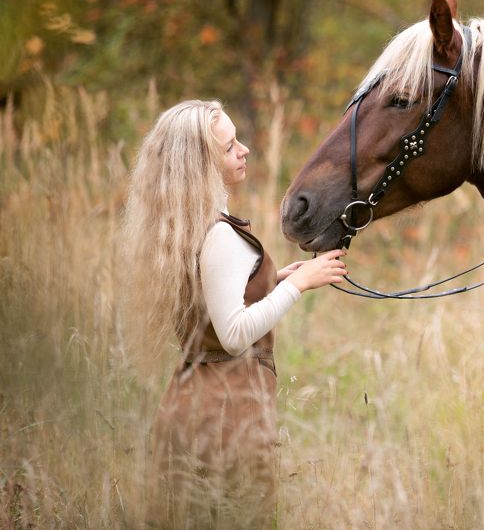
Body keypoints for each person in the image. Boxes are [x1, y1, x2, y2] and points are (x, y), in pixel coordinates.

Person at [123, 100, 346, 528]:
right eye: (228, 148)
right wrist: (299, 285)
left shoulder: (191, 227)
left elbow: (215, 306)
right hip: (228, 415)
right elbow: (232, 334)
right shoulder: (220, 236)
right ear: (202, 166)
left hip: (193, 403)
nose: (244, 150)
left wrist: (273, 281)